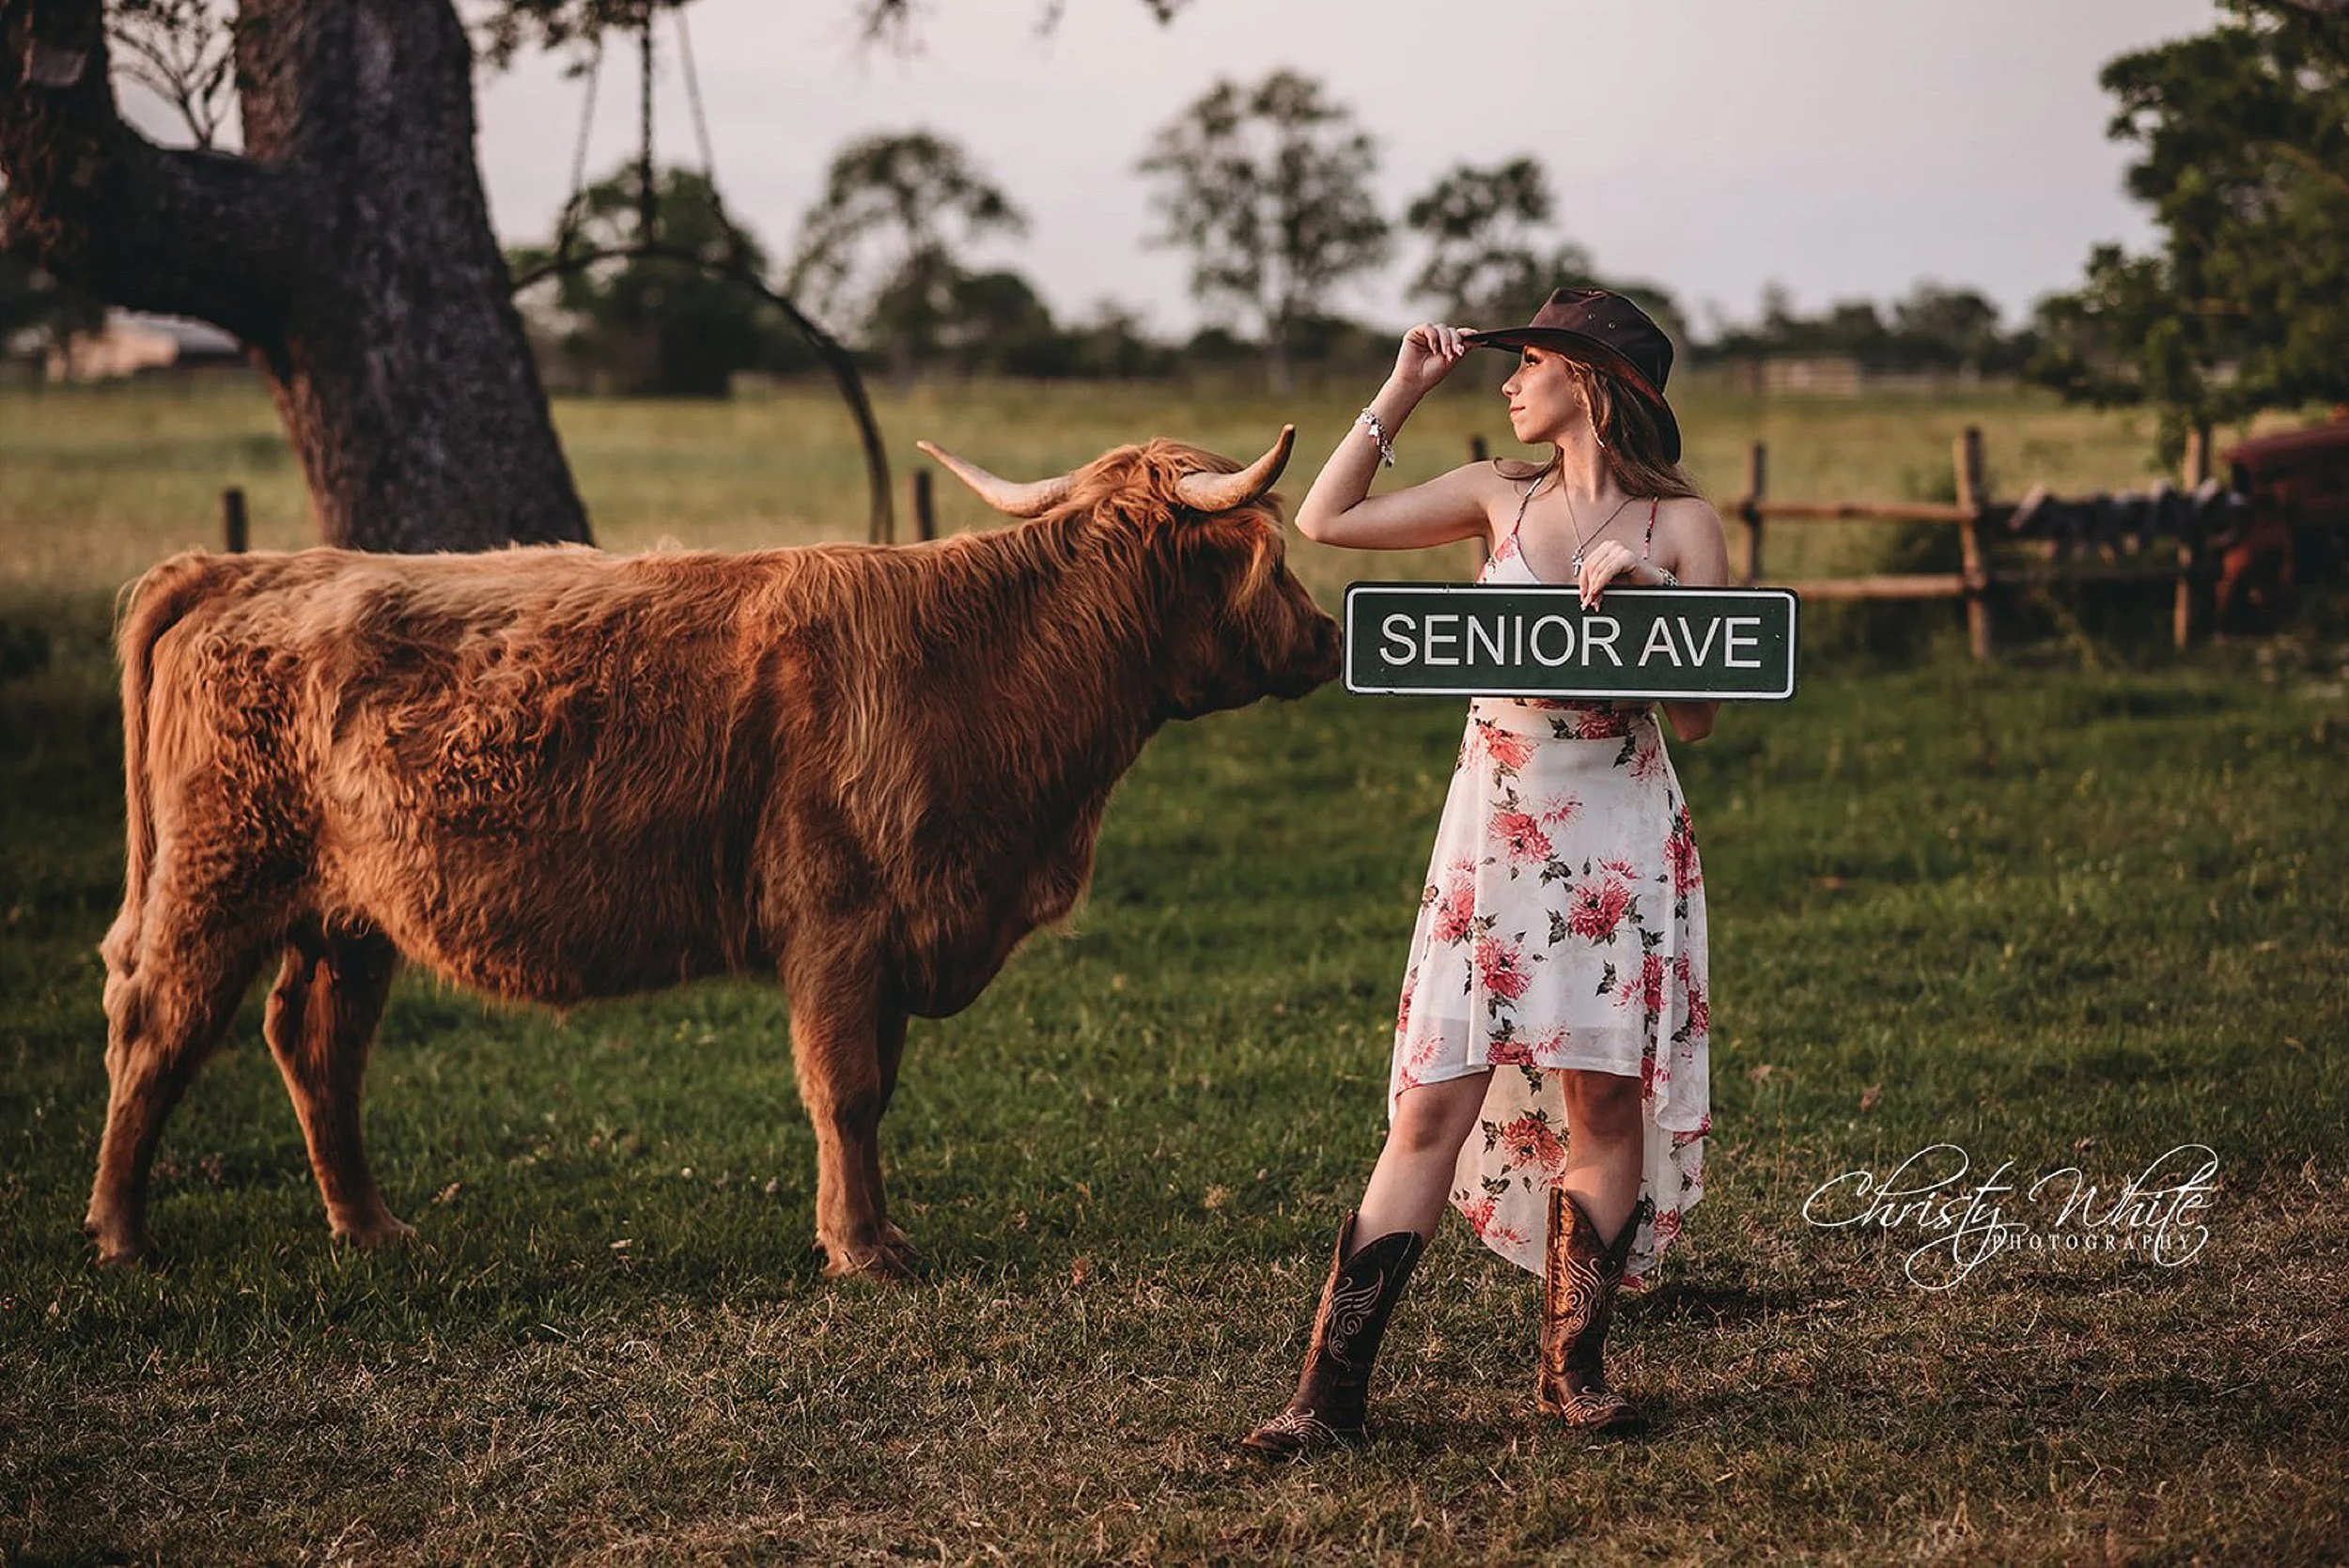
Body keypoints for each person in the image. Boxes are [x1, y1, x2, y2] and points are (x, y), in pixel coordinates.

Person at [1242, 288, 1728, 1457]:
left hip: (1616, 827)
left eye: (1529, 365)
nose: (1507, 384)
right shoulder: (1492, 494)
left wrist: (1653, 600)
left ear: (1590, 379)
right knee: (1434, 1102)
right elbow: (1324, 518)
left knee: (1602, 1102)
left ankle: (1575, 1370)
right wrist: (1403, 384)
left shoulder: (1681, 526)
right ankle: (1326, 1397)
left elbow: (1705, 713)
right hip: (1496, 831)